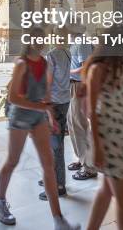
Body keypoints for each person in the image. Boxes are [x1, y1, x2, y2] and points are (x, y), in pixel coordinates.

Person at [0, 27, 80, 230]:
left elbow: (46, 94)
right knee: (12, 161)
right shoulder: (22, 64)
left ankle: (58, 219)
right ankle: (0, 202)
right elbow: (13, 98)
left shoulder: (45, 62)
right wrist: (39, 107)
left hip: (38, 116)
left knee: (48, 165)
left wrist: (50, 115)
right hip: (21, 117)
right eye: (37, 39)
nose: (41, 42)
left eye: (43, 39)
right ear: (30, 41)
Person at [84, 31, 123, 230]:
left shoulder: (119, 68)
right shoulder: (97, 69)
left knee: (106, 192)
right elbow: (90, 110)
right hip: (107, 139)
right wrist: (98, 147)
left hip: (119, 135)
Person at [38, 26, 71, 200]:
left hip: (55, 103)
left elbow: (48, 83)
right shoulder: (67, 53)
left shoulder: (51, 56)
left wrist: (46, 106)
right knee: (56, 144)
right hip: (65, 100)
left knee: (54, 146)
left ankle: (58, 185)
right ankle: (53, 179)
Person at [67, 36, 97, 180]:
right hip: (71, 86)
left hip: (79, 86)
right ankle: (81, 158)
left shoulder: (82, 42)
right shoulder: (73, 43)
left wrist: (68, 72)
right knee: (72, 124)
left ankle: (89, 168)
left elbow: (86, 67)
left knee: (79, 125)